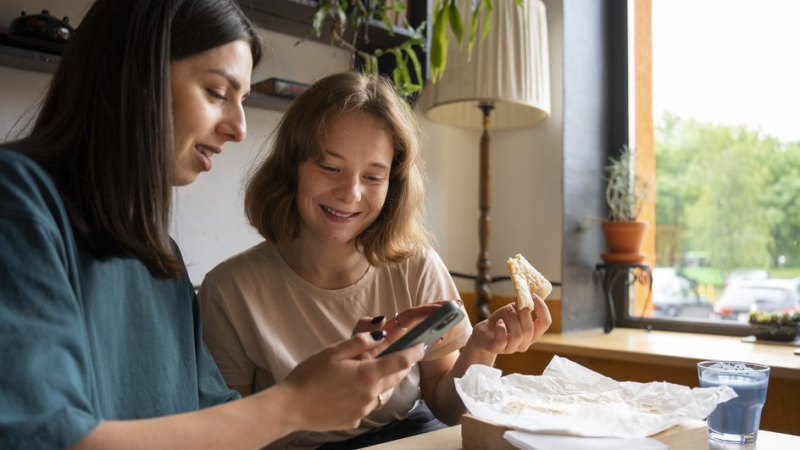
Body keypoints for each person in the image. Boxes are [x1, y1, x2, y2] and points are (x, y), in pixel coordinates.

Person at [0, 1, 427, 449]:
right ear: (133, 74)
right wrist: (293, 404)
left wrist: (337, 378)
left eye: (241, 100)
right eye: (217, 93)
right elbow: (45, 438)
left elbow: (214, 419)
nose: (239, 128)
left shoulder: (159, 256)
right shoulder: (18, 200)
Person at [198, 71, 553, 449]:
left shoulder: (416, 266)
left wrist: (482, 347)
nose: (350, 193)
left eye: (372, 176)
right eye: (330, 167)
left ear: (393, 185)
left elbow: (448, 408)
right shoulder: (229, 290)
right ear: (292, 166)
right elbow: (227, 434)